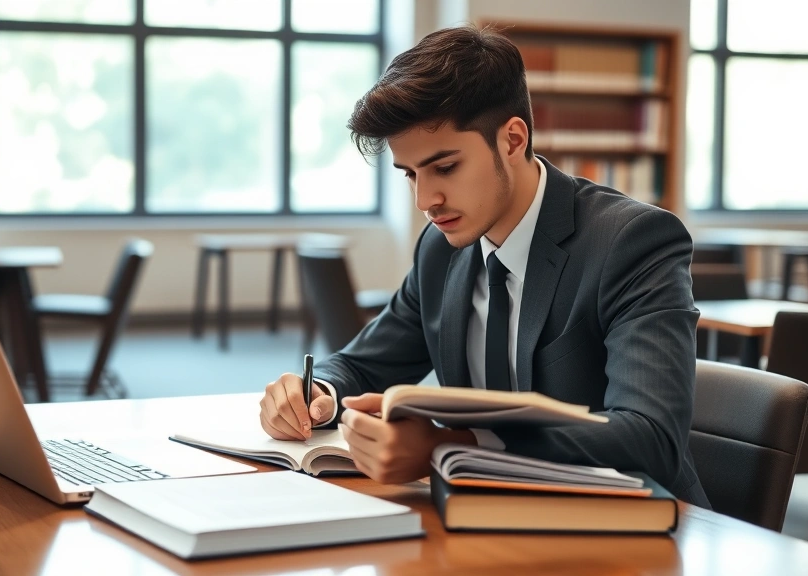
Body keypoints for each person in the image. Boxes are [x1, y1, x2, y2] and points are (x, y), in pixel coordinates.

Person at [259, 24, 710, 507]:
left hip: (633, 528)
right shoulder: (440, 249)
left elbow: (651, 439)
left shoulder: (631, 242)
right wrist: (315, 393)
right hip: (487, 517)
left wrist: (455, 447)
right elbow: (361, 364)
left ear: (513, 140)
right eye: (411, 174)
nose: (425, 200)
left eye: (445, 167)